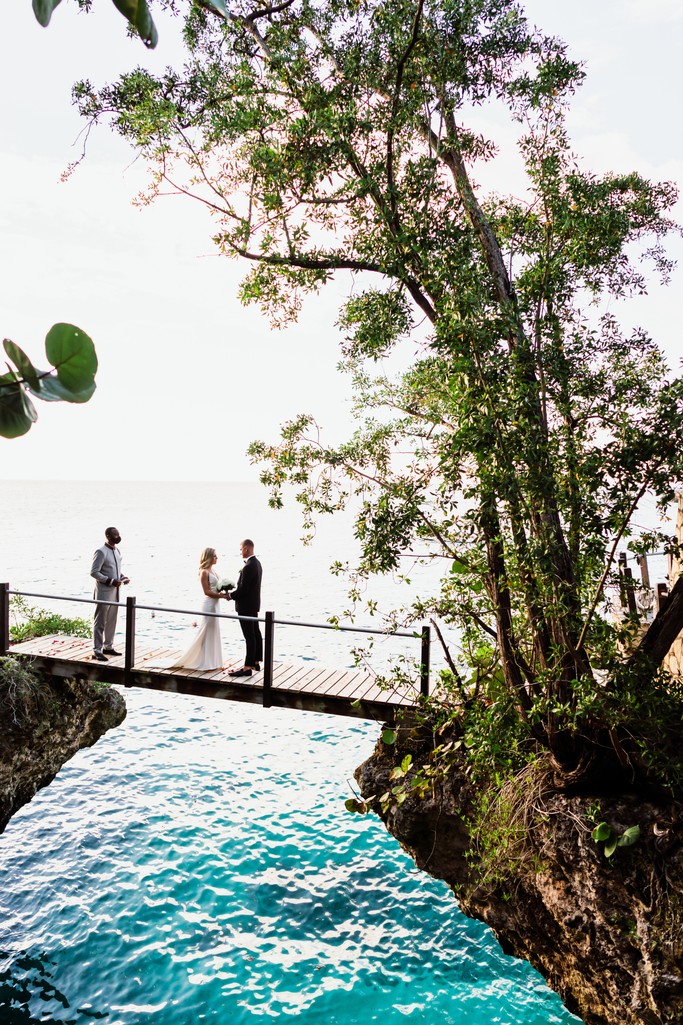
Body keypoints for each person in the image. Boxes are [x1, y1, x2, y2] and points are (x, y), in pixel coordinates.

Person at [169, 547, 230, 671]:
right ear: (209, 557)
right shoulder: (204, 572)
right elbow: (206, 591)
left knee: (214, 630)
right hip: (209, 605)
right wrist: (221, 596)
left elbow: (215, 588)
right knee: (206, 630)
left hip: (216, 604)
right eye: (215, 556)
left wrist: (224, 592)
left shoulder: (213, 571)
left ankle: (214, 661)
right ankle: (203, 661)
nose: (217, 558)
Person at [90, 526, 130, 661]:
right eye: (115, 535)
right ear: (108, 536)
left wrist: (123, 577)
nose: (118, 537)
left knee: (112, 620)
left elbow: (115, 570)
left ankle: (108, 646)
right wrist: (110, 581)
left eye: (118, 534)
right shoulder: (101, 551)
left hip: (115, 593)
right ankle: (97, 650)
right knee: (100, 622)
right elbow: (94, 572)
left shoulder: (117, 551)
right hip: (103, 593)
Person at [226, 538, 263, 677]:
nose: (240, 552)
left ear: (246, 548)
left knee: (249, 636)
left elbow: (243, 590)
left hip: (246, 606)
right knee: (255, 633)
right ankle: (256, 661)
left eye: (241, 549)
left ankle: (247, 667)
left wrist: (230, 595)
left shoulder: (248, 566)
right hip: (253, 605)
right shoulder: (257, 563)